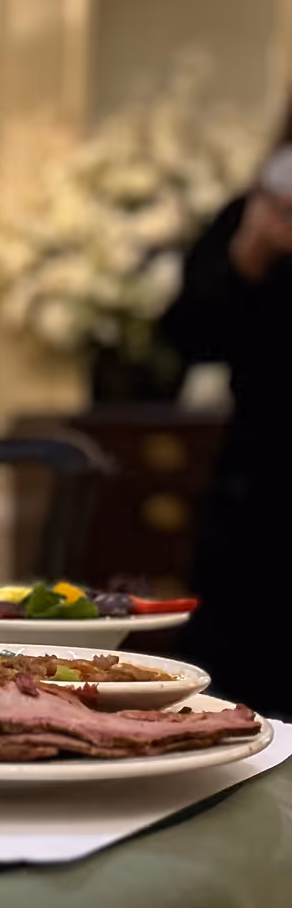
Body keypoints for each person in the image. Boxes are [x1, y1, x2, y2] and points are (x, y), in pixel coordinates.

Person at [159, 133, 292, 718]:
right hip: (262, 479)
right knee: (244, 681)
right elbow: (183, 336)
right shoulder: (253, 213)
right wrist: (250, 255)